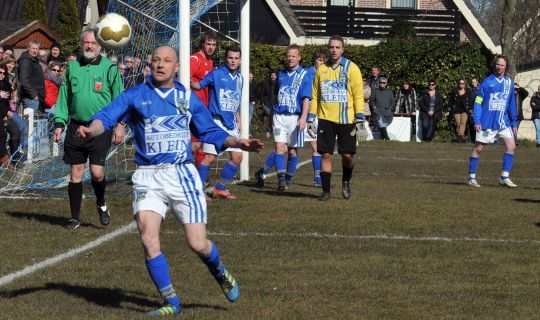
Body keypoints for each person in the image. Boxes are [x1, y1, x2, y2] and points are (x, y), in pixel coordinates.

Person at [77, 45, 263, 315]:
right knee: (147, 236)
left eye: (167, 61)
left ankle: (220, 272)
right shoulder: (135, 95)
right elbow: (106, 117)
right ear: (149, 65)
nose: (161, 64)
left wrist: (237, 141)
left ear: (177, 67)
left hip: (181, 175)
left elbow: (209, 131)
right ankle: (171, 302)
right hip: (148, 177)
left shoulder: (186, 98)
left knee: (197, 243)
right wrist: (90, 129)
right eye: (156, 60)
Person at [53, 29, 125, 230]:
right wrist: (59, 123)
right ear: (81, 44)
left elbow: (120, 100)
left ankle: (101, 203)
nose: (89, 46)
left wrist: (120, 124)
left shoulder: (110, 68)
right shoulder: (72, 68)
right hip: (76, 127)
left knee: (97, 173)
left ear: (100, 46)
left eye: (93, 43)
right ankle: (74, 218)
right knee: (75, 172)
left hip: (100, 127)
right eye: (86, 42)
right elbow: (64, 98)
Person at [308, 35, 364, 201]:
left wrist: (360, 120)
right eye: (331, 47)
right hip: (325, 119)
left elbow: (358, 96)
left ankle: (346, 180)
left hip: (347, 120)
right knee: (326, 155)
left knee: (347, 156)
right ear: (328, 48)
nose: (334, 50)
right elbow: (315, 97)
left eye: (337, 47)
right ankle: (326, 192)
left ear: (343, 49)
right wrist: (312, 118)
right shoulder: (321, 70)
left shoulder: (352, 68)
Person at [254, 44, 311, 191]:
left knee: (292, 151)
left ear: (299, 57)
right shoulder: (281, 74)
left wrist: (304, 117)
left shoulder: (304, 75)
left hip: (295, 117)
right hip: (279, 116)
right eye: (288, 56)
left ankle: (288, 179)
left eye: (293, 56)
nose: (290, 58)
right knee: (279, 147)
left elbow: (306, 98)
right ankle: (280, 180)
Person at [191, 45, 244, 199]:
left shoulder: (240, 79)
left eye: (236, 58)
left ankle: (219, 188)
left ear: (240, 60)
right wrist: (185, 77)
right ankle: (198, 191)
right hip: (216, 123)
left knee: (237, 158)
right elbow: (198, 85)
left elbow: (236, 102)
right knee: (209, 157)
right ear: (226, 59)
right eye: (230, 58)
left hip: (232, 124)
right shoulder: (216, 74)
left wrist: (239, 120)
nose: (233, 61)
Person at [467, 55, 518, 188]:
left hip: (503, 122)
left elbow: (512, 103)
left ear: (506, 67)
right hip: (487, 122)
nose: (499, 67)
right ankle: (471, 178)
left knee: (511, 146)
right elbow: (478, 102)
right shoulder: (487, 82)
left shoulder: (509, 83)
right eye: (498, 64)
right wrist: (477, 120)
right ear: (494, 65)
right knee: (478, 148)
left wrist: (514, 122)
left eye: (502, 65)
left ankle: (504, 177)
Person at [190, 30, 217, 166]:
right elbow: (184, 79)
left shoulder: (210, 62)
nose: (211, 47)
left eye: (213, 44)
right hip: (194, 108)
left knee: (201, 144)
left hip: (204, 108)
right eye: (208, 44)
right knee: (195, 144)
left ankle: (198, 178)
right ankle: (188, 176)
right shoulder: (195, 59)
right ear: (202, 44)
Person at [0, 64, 21, 168]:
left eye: (4, 73)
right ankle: (4, 160)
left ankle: (15, 158)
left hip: (4, 116)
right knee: (2, 135)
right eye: (0, 73)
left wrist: (8, 111)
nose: (2, 75)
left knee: (16, 131)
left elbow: (7, 103)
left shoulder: (6, 85)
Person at [17, 40, 45, 115]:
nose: (35, 51)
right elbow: (24, 80)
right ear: (28, 48)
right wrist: (33, 95)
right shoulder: (25, 60)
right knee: (31, 124)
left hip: (36, 98)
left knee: (35, 124)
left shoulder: (33, 60)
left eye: (37, 49)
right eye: (33, 48)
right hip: (30, 98)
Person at [447, 79, 474, 143]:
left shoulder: (468, 91)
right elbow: (450, 101)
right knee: (458, 124)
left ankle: (460, 138)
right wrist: (448, 110)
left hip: (465, 110)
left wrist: (472, 110)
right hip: (456, 110)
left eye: (463, 83)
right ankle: (461, 136)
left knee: (463, 123)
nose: (461, 84)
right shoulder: (454, 90)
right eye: (460, 83)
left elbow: (471, 101)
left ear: (465, 84)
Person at [260, 71, 278, 137]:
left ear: (276, 76)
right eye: (272, 75)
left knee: (275, 117)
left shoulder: (278, 84)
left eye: (274, 75)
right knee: (272, 115)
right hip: (267, 104)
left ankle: (271, 130)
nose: (273, 76)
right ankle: (270, 130)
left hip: (276, 104)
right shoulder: (266, 83)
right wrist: (263, 102)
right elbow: (262, 93)